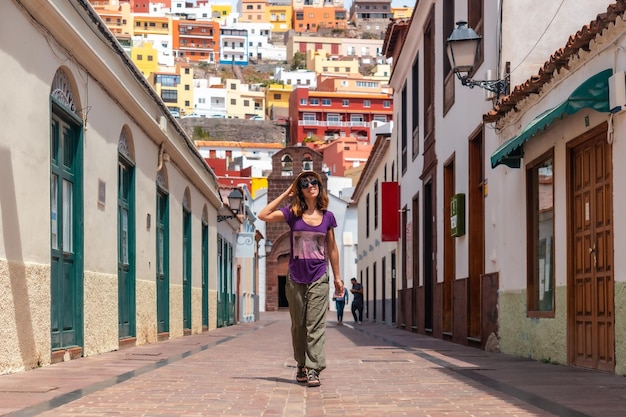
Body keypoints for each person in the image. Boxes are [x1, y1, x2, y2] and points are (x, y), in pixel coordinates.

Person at [258, 171, 344, 388]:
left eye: (314, 181)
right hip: (295, 277)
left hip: (318, 276)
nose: (310, 184)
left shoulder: (328, 217)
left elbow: (332, 249)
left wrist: (337, 277)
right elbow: (263, 215)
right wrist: (285, 194)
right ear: (300, 190)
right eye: (304, 183)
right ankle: (301, 365)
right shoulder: (292, 214)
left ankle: (314, 369)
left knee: (315, 324)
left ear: (319, 186)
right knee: (298, 326)